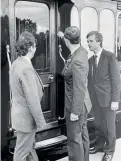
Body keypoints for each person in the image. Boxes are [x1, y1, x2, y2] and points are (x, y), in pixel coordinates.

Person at [10, 31, 46, 161]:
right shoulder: (25, 68)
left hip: (19, 116)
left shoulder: (16, 63)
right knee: (21, 153)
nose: (35, 49)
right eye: (35, 46)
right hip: (26, 119)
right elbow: (33, 100)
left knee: (29, 149)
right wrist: (41, 122)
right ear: (30, 47)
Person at [58, 26, 92, 161]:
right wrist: (62, 35)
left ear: (67, 41)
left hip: (76, 105)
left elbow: (79, 88)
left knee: (74, 140)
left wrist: (75, 112)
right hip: (83, 103)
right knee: (82, 136)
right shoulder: (81, 51)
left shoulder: (77, 60)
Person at [87, 31, 120, 161]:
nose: (88, 43)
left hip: (108, 99)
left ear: (98, 41)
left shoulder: (110, 57)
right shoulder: (90, 60)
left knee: (110, 126)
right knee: (98, 124)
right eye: (88, 41)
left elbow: (116, 81)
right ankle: (100, 145)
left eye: (90, 41)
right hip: (95, 99)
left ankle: (110, 151)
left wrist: (115, 100)